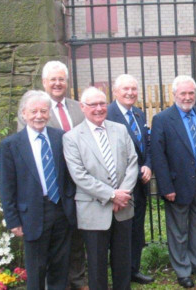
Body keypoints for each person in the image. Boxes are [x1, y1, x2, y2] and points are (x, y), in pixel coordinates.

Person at [17, 61, 87, 290]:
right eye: (53, 79)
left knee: (74, 240)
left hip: (77, 185)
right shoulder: (34, 110)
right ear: (44, 82)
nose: (57, 83)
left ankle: (77, 280)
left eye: (61, 79)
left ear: (67, 82)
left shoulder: (78, 108)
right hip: (49, 186)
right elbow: (24, 151)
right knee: (47, 247)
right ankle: (56, 284)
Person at [0, 90, 76, 289]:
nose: (39, 116)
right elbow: (6, 185)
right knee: (36, 268)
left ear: (49, 113)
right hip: (31, 213)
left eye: (43, 111)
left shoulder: (60, 137)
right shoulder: (11, 145)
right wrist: (13, 219)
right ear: (23, 113)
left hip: (60, 210)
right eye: (33, 111)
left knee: (60, 265)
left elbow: (69, 175)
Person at [63, 87, 138, 290]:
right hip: (94, 210)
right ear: (82, 107)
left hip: (123, 208)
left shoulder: (120, 129)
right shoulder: (72, 138)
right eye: (93, 104)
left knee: (122, 261)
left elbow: (133, 162)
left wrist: (123, 194)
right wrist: (112, 195)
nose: (98, 108)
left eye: (102, 104)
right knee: (97, 265)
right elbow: (79, 175)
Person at [151, 75, 196, 288]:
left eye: (191, 93)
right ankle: (182, 270)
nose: (187, 97)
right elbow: (158, 156)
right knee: (178, 228)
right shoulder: (162, 119)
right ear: (174, 95)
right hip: (177, 182)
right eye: (183, 93)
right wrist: (166, 187)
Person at [106, 74, 154, 285]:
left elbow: (147, 145)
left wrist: (148, 165)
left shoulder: (138, 114)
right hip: (118, 187)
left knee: (136, 230)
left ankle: (133, 269)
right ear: (115, 91)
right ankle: (120, 273)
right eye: (125, 89)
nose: (130, 93)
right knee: (119, 234)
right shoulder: (107, 114)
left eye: (133, 89)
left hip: (140, 185)